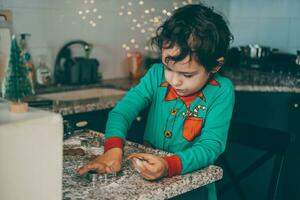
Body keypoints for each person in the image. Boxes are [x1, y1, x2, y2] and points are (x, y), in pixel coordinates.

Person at [78, 3, 234, 200]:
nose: (174, 80)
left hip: (193, 191)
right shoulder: (156, 75)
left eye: (187, 74)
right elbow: (121, 112)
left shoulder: (221, 91)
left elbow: (211, 146)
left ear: (215, 65)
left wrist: (168, 165)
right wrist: (113, 149)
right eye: (168, 68)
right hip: (149, 188)